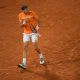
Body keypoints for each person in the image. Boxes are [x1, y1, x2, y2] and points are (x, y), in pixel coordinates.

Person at [18, 5, 44, 69]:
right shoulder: (20, 15)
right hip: (26, 33)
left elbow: (38, 20)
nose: (27, 10)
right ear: (23, 10)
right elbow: (21, 26)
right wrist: (24, 23)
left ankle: (41, 56)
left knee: (35, 48)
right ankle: (24, 63)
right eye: (26, 9)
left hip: (33, 33)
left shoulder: (32, 13)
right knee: (24, 47)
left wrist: (37, 28)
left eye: (28, 9)